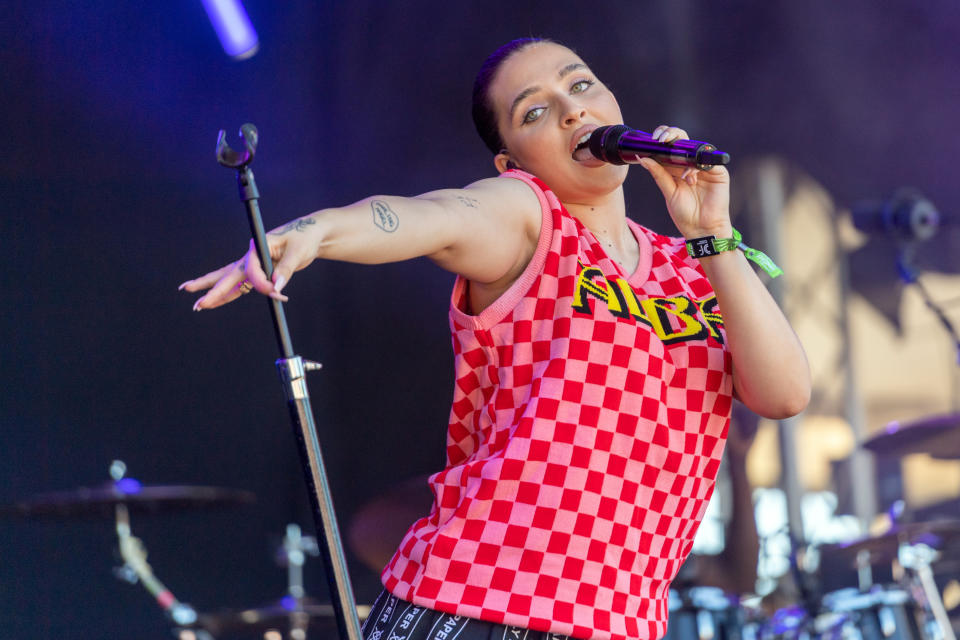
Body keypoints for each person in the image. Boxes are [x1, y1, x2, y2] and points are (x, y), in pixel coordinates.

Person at [181, 38, 810, 640]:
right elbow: (440, 215)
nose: (571, 110)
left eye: (581, 85)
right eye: (535, 111)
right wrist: (320, 231)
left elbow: (783, 394)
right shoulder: (529, 215)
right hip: (475, 603)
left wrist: (713, 233)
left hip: (617, 622)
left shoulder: (697, 267)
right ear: (512, 162)